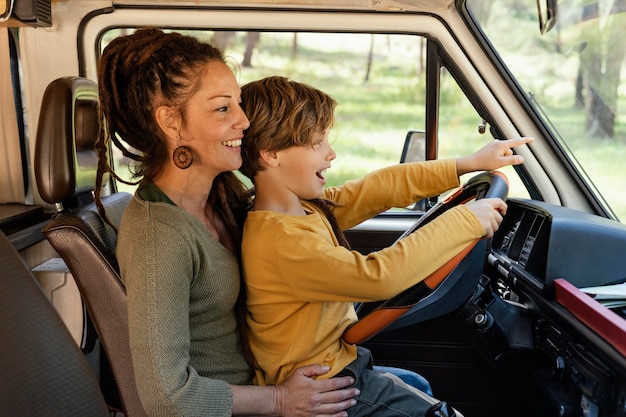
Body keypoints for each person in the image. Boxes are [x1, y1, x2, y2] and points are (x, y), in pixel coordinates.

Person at [93, 29, 359, 417]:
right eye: (223, 109)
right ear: (171, 122)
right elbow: (166, 398)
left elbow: (324, 207)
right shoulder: (158, 237)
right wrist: (282, 400)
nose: (245, 121)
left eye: (238, 104)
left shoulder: (222, 196)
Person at [238, 76, 534, 416]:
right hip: (326, 388)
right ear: (271, 154)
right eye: (317, 143)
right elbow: (377, 278)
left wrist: (467, 164)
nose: (331, 154)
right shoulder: (281, 240)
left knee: (418, 385)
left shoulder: (304, 208)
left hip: (339, 365)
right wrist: (465, 221)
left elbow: (377, 188)